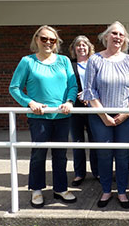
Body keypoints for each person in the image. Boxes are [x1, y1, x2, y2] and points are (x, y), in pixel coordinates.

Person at [9, 25, 78, 208]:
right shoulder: (27, 61)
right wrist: (30, 103)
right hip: (39, 117)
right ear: (36, 40)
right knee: (38, 154)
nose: (48, 42)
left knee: (61, 154)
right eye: (44, 39)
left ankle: (60, 188)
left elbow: (73, 85)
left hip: (62, 116)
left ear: (56, 43)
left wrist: (70, 102)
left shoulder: (63, 61)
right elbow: (14, 88)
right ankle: (37, 189)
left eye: (52, 40)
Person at [82, 21, 129, 209]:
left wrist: (126, 113)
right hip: (100, 115)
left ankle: (122, 191)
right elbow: (90, 91)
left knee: (124, 154)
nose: (117, 37)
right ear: (106, 36)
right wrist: (103, 115)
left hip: (126, 116)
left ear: (125, 40)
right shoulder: (95, 60)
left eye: (121, 35)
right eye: (114, 33)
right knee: (104, 153)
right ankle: (106, 190)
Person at [68, 35, 98, 186]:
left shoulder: (95, 62)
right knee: (78, 141)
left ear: (89, 47)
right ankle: (79, 173)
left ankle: (97, 171)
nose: (81, 47)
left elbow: (99, 83)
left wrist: (89, 95)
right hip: (76, 108)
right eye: (78, 45)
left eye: (84, 45)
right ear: (74, 49)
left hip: (93, 107)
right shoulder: (69, 64)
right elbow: (67, 84)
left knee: (94, 141)